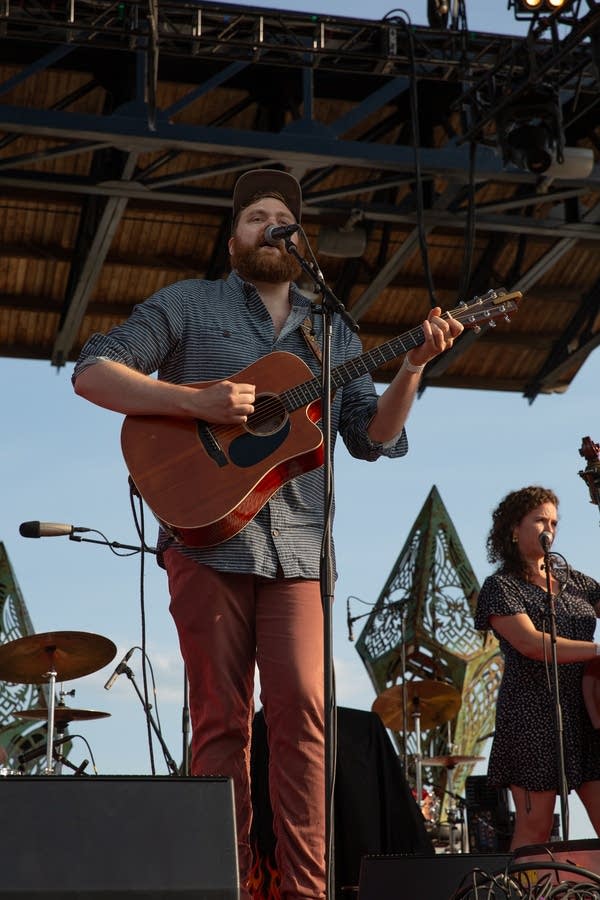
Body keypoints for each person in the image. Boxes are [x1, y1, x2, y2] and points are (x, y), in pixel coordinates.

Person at [72, 168, 462, 899]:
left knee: (306, 723)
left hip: (302, 555)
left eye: (283, 216)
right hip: (207, 544)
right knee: (220, 722)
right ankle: (228, 886)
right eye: (257, 216)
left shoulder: (329, 328)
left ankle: (305, 894)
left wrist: (411, 367)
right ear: (235, 239)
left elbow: (371, 439)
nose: (272, 225)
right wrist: (198, 399)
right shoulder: (189, 305)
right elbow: (94, 373)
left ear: (300, 239)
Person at [474, 485, 600, 851]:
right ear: (515, 528)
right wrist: (596, 652)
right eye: (540, 520)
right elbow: (532, 644)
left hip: (584, 714)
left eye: (555, 522)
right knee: (536, 831)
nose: (550, 528)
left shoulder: (575, 582)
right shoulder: (501, 586)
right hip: (532, 716)